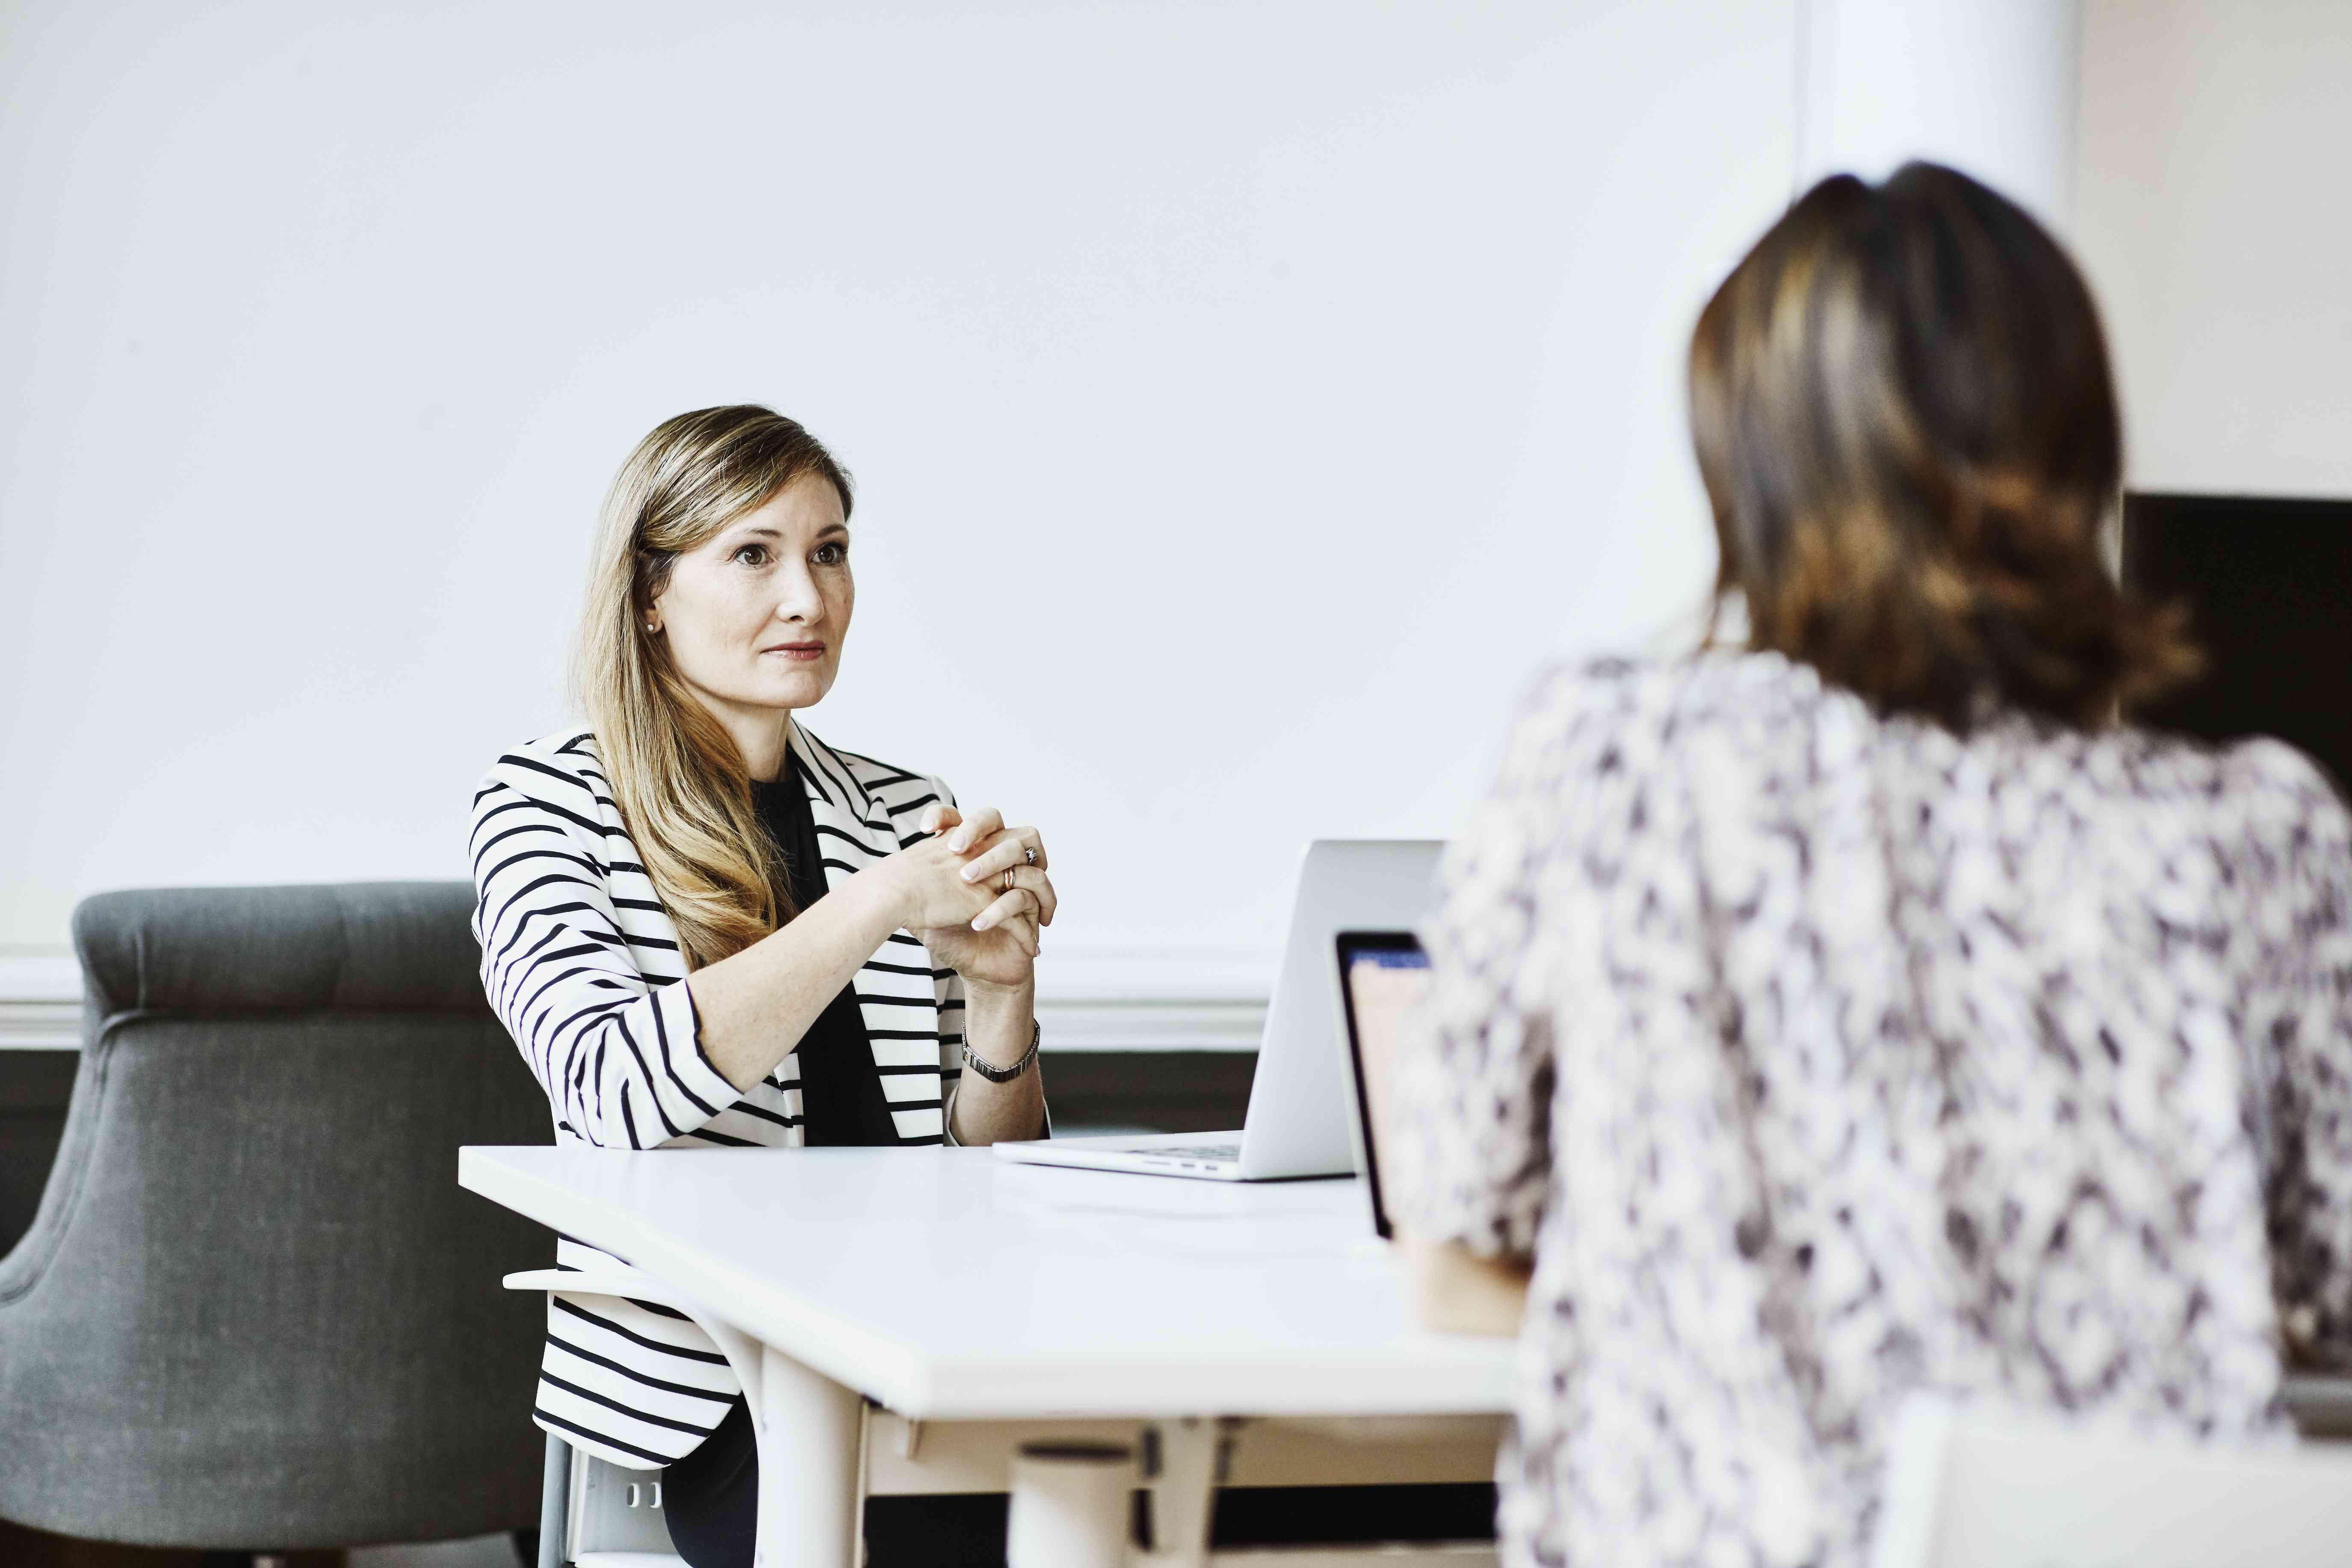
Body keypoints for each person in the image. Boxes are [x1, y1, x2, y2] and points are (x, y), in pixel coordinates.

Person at [1394, 163, 2352, 1568]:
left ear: (1750, 465)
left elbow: (1455, 1250)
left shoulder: (1614, 759)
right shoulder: (2266, 834)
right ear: (2076, 452)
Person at [468, 405, 1054, 1567]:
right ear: (650, 591)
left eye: (829, 552)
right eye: (754, 553)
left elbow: (995, 1183)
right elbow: (609, 1085)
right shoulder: (545, 799)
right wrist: (871, 902)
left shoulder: (897, 805)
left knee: (1170, 1505)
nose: (807, 597)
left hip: (931, 1345)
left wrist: (1001, 1003)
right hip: (727, 1385)